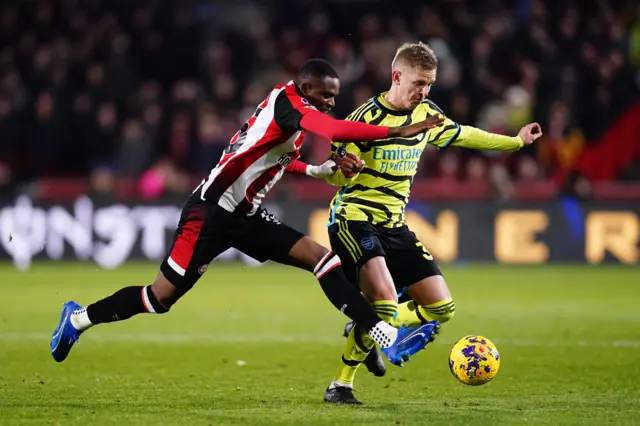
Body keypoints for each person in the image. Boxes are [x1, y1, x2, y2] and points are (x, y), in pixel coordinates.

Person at [50, 59, 445, 363]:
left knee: (322, 260)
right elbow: (336, 130)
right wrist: (397, 130)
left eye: (334, 97)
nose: (330, 103)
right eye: (326, 95)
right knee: (159, 299)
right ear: (305, 87)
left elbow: (273, 159)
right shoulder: (290, 102)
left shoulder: (292, 113)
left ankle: (384, 336)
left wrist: (319, 169)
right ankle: (78, 319)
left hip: (246, 217)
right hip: (209, 214)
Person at [322, 42, 543, 405]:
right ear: (397, 76)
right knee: (386, 305)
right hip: (354, 219)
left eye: (429, 84)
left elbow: (467, 134)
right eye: (418, 83)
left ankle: (371, 327)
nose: (423, 91)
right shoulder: (365, 119)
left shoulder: (427, 114)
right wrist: (342, 170)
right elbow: (333, 175)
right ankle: (341, 385)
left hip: (394, 225)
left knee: (442, 308)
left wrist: (515, 142)